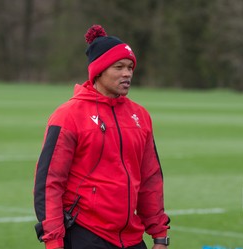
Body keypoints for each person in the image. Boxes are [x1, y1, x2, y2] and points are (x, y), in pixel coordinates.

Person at [33, 24, 170, 249]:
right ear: (99, 71)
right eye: (119, 67)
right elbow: (49, 182)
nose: (127, 73)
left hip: (132, 238)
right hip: (85, 234)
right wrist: (54, 241)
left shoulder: (140, 115)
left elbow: (150, 179)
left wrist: (159, 235)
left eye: (130, 67)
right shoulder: (68, 115)